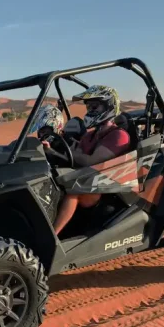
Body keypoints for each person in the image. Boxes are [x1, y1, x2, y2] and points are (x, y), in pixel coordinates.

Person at [43, 85, 131, 235]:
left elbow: (92, 161)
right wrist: (57, 147)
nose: (90, 111)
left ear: (109, 106)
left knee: (74, 191)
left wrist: (58, 151)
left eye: (94, 106)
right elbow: (74, 154)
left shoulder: (119, 135)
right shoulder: (89, 135)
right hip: (88, 179)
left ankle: (52, 236)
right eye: (88, 107)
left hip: (108, 186)